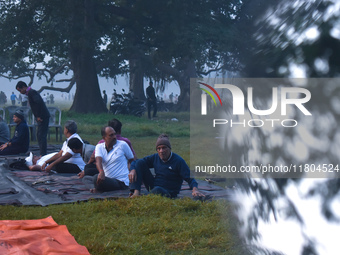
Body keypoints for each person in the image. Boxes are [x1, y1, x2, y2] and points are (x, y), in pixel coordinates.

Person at [129, 134, 205, 198]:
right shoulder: (155, 157)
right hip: (154, 186)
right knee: (139, 163)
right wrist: (133, 169)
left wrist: (195, 189)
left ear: (169, 148)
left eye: (164, 148)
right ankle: (136, 193)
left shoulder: (178, 161)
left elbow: (190, 178)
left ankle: (146, 197)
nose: (161, 151)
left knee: (157, 190)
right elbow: (137, 161)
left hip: (169, 192)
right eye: (159, 148)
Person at [91, 126, 134, 193]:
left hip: (120, 181)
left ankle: (98, 189)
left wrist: (132, 171)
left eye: (114, 134)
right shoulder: (99, 146)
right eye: (111, 135)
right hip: (106, 179)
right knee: (87, 177)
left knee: (95, 178)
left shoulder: (122, 145)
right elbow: (98, 161)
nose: (114, 137)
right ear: (104, 137)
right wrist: (101, 171)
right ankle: (100, 188)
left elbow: (132, 160)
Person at [16, 81, 50, 156]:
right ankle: (42, 152)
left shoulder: (32, 92)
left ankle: (43, 154)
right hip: (41, 116)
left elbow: (38, 103)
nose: (21, 93)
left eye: (20, 90)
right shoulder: (30, 93)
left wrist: (38, 116)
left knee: (41, 135)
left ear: (24, 87)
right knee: (39, 135)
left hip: (42, 116)